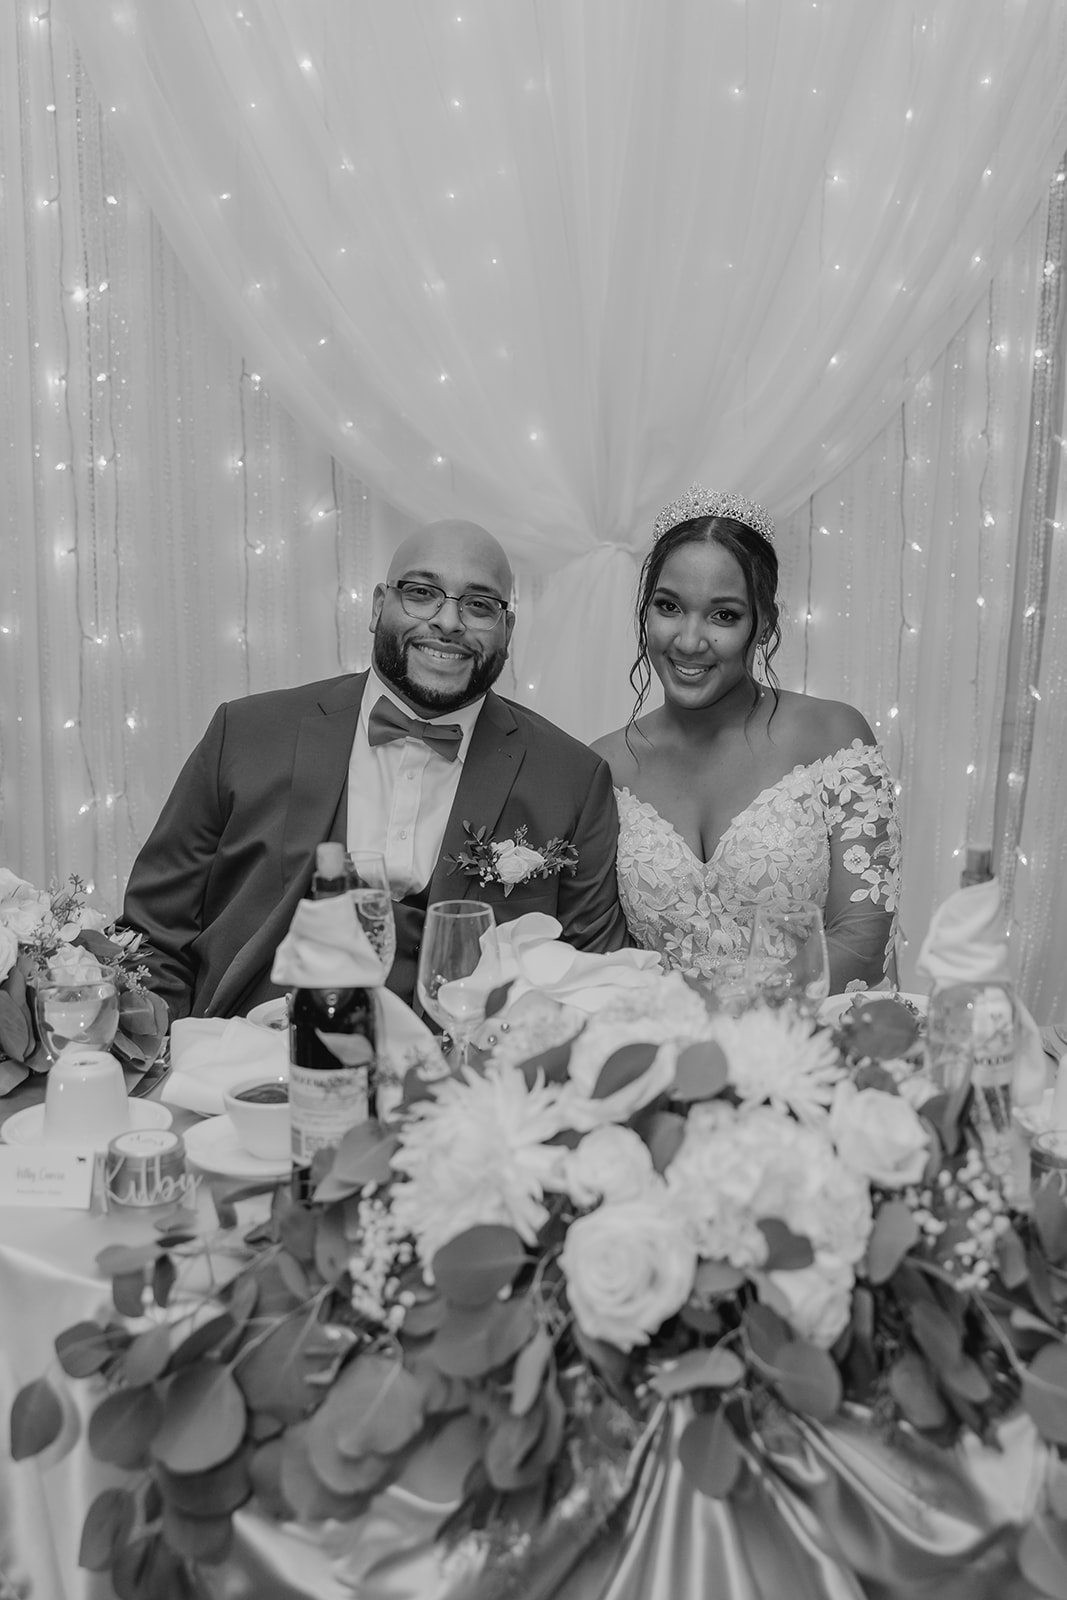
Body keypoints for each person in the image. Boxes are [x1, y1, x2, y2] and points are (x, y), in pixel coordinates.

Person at [123, 519, 628, 1017]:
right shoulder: (247, 733)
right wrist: (165, 1060)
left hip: (463, 1079)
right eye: (422, 592)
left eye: (478, 605)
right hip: (250, 1066)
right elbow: (153, 936)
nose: (448, 622)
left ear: (507, 629)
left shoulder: (573, 779)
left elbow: (592, 978)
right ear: (377, 606)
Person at [592, 487, 900, 993]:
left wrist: (730, 1020)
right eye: (669, 607)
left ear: (765, 624)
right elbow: (599, 955)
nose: (689, 641)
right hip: (667, 1055)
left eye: (723, 615)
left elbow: (862, 942)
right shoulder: (601, 766)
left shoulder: (834, 737)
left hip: (815, 1048)